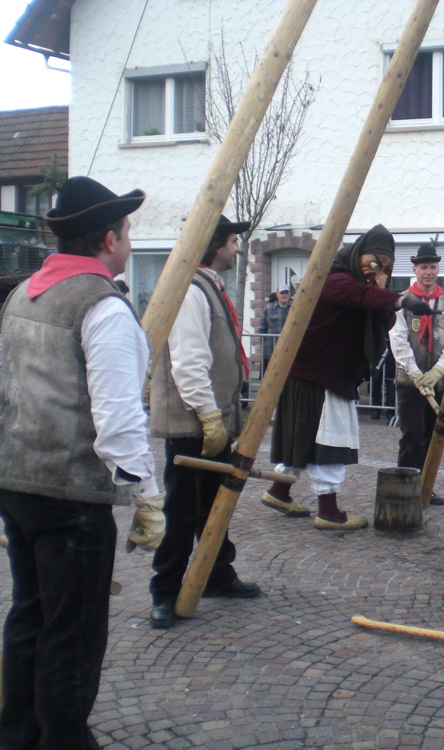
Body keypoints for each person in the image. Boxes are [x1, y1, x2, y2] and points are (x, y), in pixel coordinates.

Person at [0, 176, 165, 748]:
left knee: (31, 615)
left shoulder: (24, 293)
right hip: (69, 494)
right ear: (108, 239)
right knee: (72, 632)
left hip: (17, 481)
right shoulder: (102, 305)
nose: (129, 242)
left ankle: (18, 734)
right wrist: (145, 493)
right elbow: (118, 417)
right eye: (127, 232)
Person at [262, 225, 434, 527]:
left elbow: (377, 313)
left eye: (386, 266)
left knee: (304, 437)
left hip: (327, 373)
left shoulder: (362, 287)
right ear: (359, 255)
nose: (378, 270)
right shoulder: (332, 277)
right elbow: (359, 295)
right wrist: (400, 300)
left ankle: (279, 490)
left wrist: (389, 300)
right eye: (374, 262)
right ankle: (329, 512)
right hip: (319, 374)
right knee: (328, 441)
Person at [148, 214, 261, 629]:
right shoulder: (190, 291)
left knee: (215, 504)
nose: (236, 248)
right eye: (232, 241)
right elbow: (189, 360)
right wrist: (209, 415)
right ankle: (165, 590)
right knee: (181, 509)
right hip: (191, 422)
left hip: (211, 419)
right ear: (215, 245)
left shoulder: (208, 286)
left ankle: (216, 574)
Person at [389, 243, 444, 504]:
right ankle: (407, 486)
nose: (428, 272)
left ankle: (426, 487)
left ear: (438, 269)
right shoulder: (402, 301)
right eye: (423, 267)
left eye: (432, 267)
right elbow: (398, 340)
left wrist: (438, 370)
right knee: (412, 435)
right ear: (415, 270)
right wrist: (415, 373)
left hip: (438, 382)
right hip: (410, 382)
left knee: (433, 435)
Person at [258, 283, 291, 372]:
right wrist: (263, 346)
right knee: (268, 374)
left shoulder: (293, 309)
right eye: (282, 293)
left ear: (289, 295)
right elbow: (262, 329)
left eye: (286, 293)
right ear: (277, 295)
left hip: (288, 349)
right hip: (271, 349)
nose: (284, 295)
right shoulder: (268, 308)